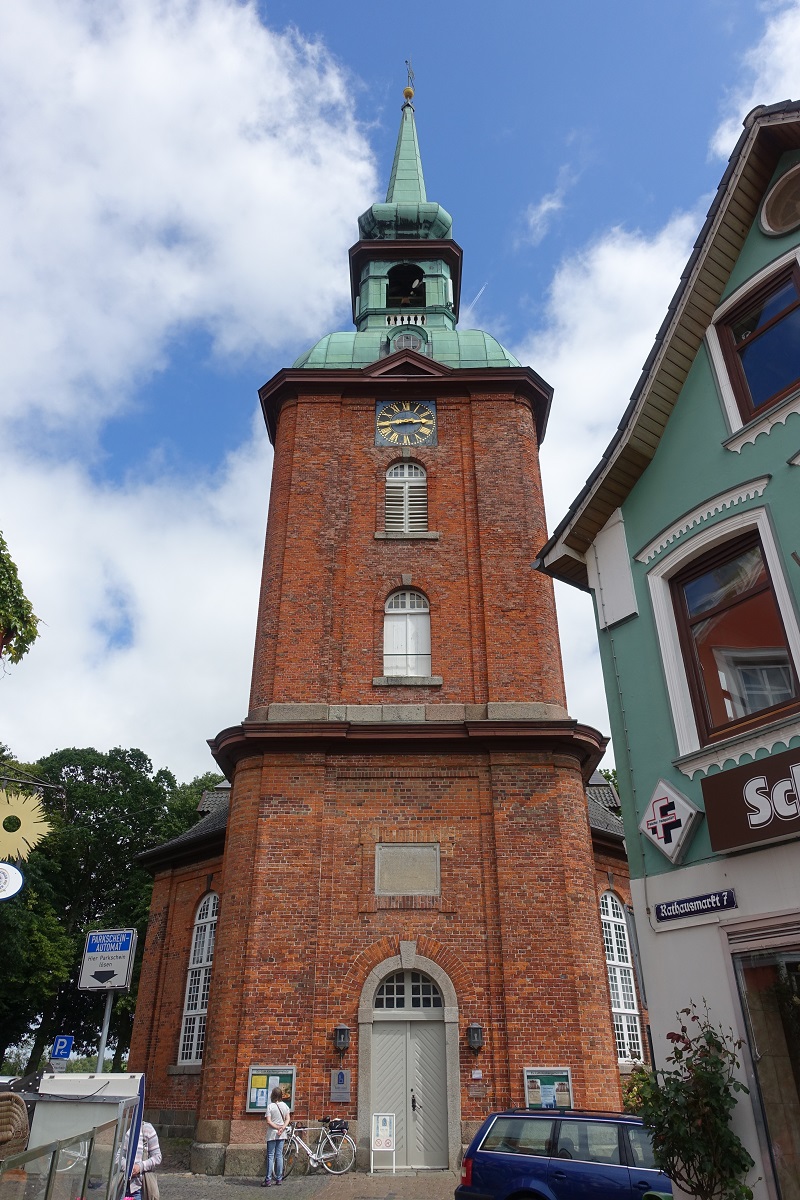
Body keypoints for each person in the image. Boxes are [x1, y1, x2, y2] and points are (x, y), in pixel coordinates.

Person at [262, 1086, 290, 1187]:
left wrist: (277, 1127)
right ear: (281, 1095)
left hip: (272, 1133)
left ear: (273, 1095)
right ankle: (279, 1178)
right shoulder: (285, 1106)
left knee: (270, 1156)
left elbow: (268, 1121)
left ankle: (268, 1179)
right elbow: (287, 1119)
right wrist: (282, 1128)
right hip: (281, 1134)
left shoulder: (270, 1106)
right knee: (279, 1155)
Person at [128, 1121, 162, 1195]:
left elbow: (157, 1157)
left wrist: (140, 1167)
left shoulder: (147, 1129)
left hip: (139, 1189)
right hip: (123, 1187)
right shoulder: (125, 1128)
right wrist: (127, 1167)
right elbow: (118, 1156)